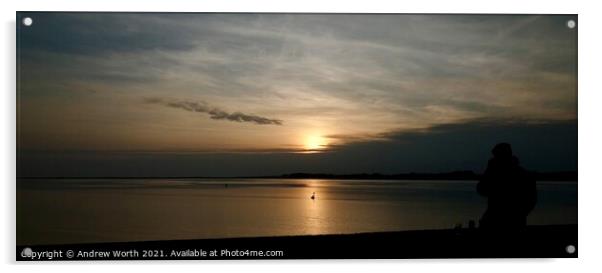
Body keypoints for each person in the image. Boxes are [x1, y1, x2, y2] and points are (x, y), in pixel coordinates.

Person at [477, 143, 537, 232]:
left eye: (496, 156)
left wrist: (519, 214)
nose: (494, 159)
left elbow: (482, 189)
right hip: (498, 221)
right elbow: (481, 190)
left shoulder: (522, 176)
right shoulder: (496, 174)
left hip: (509, 223)